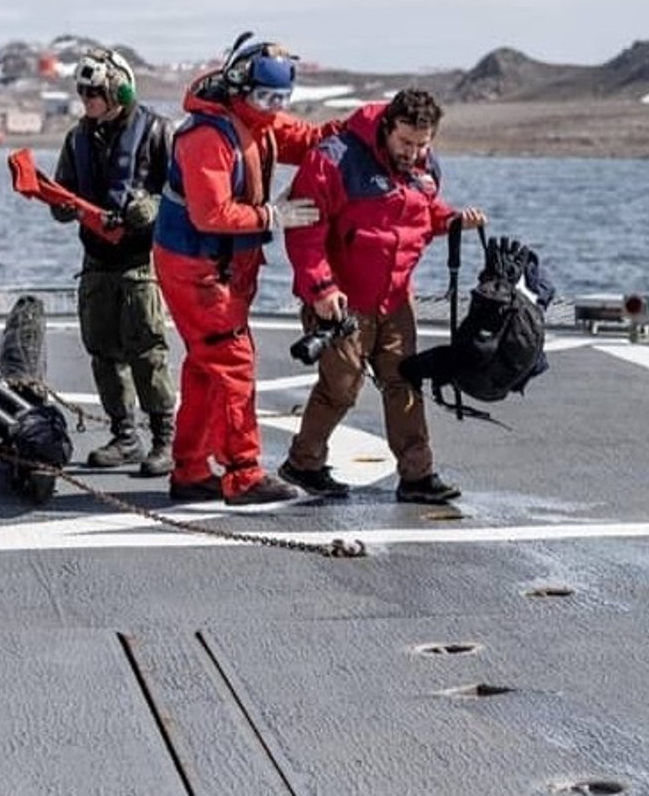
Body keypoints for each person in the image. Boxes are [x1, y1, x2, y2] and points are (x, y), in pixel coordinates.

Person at [153, 36, 337, 506]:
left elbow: (312, 138)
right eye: (265, 98)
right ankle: (243, 473)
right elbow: (210, 213)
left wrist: (368, 123)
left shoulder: (257, 123)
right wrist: (272, 217)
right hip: (200, 269)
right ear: (239, 87)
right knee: (232, 365)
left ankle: (192, 468)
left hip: (223, 268)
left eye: (281, 100)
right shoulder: (207, 137)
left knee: (205, 367)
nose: (274, 108)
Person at [278, 88, 483, 504]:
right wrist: (320, 288)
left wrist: (455, 221)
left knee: (405, 380)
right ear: (386, 127)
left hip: (395, 297)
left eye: (423, 144)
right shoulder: (333, 158)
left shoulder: (425, 166)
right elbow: (304, 231)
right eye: (406, 143)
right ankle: (304, 462)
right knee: (342, 388)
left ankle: (417, 475)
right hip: (341, 301)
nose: (414, 152)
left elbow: (421, 213)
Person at [48, 48, 178, 476]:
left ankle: (164, 438)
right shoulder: (77, 138)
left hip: (139, 261)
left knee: (147, 350)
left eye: (93, 93)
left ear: (117, 90)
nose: (86, 101)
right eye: (82, 93)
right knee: (102, 350)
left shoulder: (158, 132)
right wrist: (61, 206)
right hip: (96, 260)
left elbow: (184, 195)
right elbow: (63, 190)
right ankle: (125, 435)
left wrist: (152, 207)